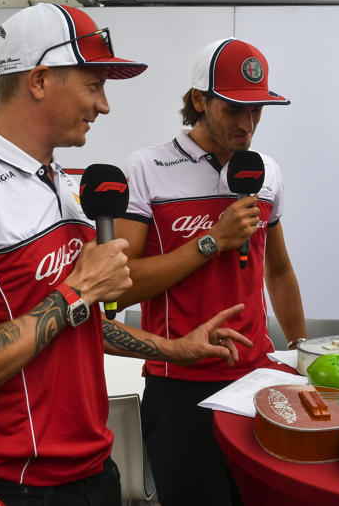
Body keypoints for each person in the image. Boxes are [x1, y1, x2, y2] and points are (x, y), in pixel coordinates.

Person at [0, 3, 252, 506]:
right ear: (40, 80)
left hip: (89, 470)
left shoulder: (58, 182)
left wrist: (173, 348)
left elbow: (71, 322)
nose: (103, 106)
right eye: (93, 85)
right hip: (7, 484)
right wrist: (79, 288)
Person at [114, 38, 307, 506]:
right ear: (199, 100)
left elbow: (278, 271)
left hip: (257, 376)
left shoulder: (267, 172)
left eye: (257, 111)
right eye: (234, 109)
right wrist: (212, 241)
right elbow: (121, 285)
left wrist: (302, 353)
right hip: (178, 380)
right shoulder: (147, 168)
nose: (247, 124)